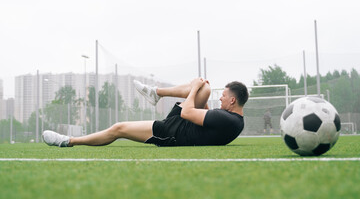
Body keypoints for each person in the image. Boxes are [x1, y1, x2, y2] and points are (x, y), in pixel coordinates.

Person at [42, 77, 248, 147]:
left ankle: (68, 141)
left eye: (224, 96)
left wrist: (193, 88)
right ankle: (155, 93)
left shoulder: (226, 118)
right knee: (207, 88)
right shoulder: (234, 120)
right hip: (184, 126)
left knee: (118, 128)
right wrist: (199, 91)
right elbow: (207, 123)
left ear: (232, 100)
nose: (220, 98)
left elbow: (186, 113)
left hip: (173, 133)